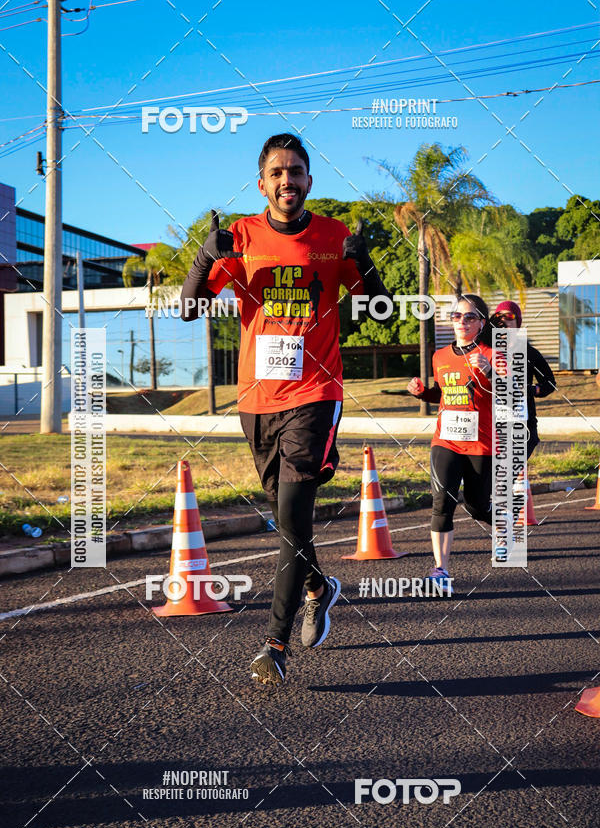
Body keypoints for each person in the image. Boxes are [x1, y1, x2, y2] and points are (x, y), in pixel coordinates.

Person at [180, 133, 389, 685]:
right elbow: (188, 309)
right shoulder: (242, 236)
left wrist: (363, 264)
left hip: (316, 394)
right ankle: (320, 585)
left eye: (296, 171)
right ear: (262, 183)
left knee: (295, 516)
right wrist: (206, 258)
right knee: (288, 521)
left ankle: (273, 644)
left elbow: (381, 313)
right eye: (277, 172)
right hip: (256, 400)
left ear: (309, 181)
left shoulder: (333, 237)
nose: (287, 181)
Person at [407, 294, 494, 594]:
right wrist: (422, 393)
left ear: (481, 323)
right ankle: (440, 570)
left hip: (481, 444)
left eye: (469, 317)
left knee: (478, 506)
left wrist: (490, 373)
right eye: (456, 316)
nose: (461, 321)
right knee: (442, 501)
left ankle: (503, 525)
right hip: (446, 441)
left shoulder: (493, 354)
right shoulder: (440, 356)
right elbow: (444, 394)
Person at [490, 300, 556, 458]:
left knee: (512, 467)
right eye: (499, 317)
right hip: (492, 421)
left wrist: (532, 389)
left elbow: (549, 383)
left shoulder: (529, 353)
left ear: (517, 323)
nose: (504, 320)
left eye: (509, 317)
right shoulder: (487, 349)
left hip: (522, 421)